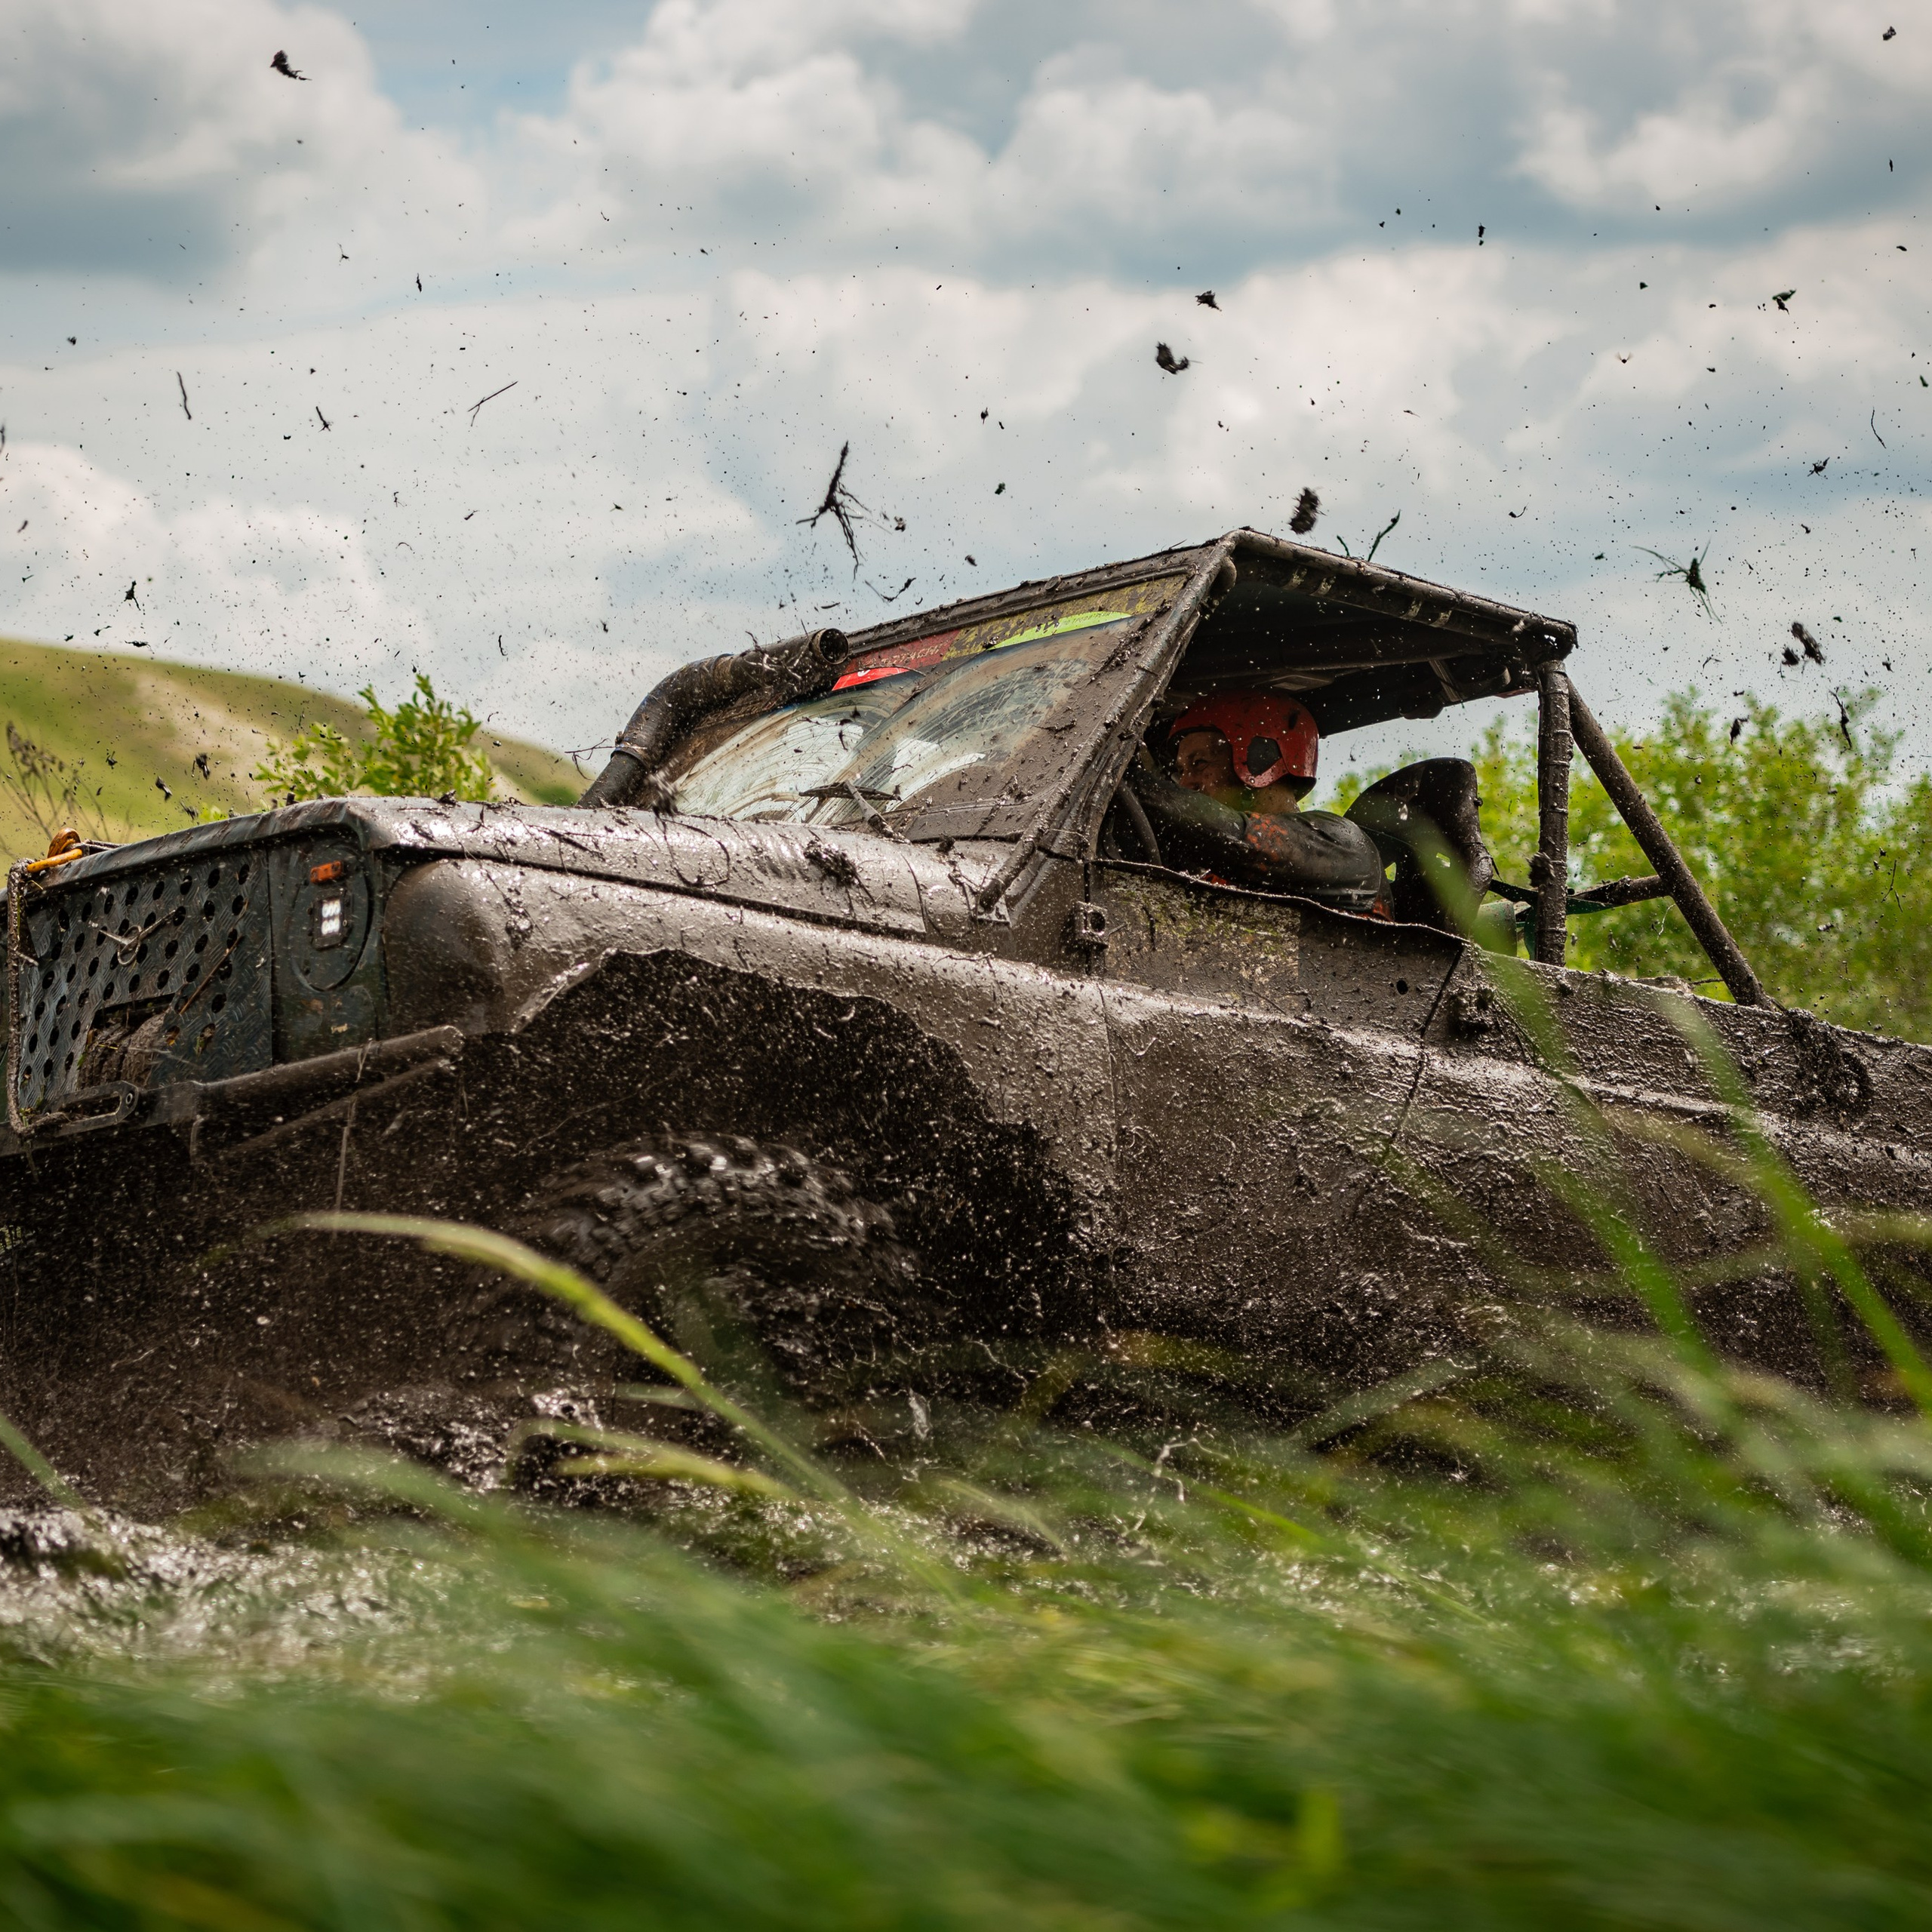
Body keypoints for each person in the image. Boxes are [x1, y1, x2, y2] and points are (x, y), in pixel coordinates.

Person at [1122, 691, 1385, 912]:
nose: (1186, 784)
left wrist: (1120, 776)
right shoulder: (1208, 869)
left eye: (1199, 763)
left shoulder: (1344, 844)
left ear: (1261, 759)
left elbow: (1231, 836)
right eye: (1181, 771)